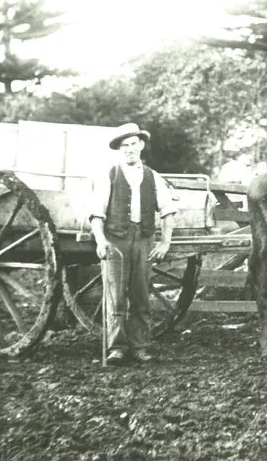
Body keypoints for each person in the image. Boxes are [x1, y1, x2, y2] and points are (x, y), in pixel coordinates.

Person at [89, 123, 177, 364]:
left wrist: (165, 242)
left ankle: (140, 347)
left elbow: (168, 212)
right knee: (115, 295)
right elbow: (97, 214)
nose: (129, 149)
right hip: (115, 240)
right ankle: (117, 348)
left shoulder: (152, 176)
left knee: (140, 294)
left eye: (133, 144)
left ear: (141, 146)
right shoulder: (108, 175)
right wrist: (100, 240)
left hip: (143, 239)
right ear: (119, 149)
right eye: (124, 146)